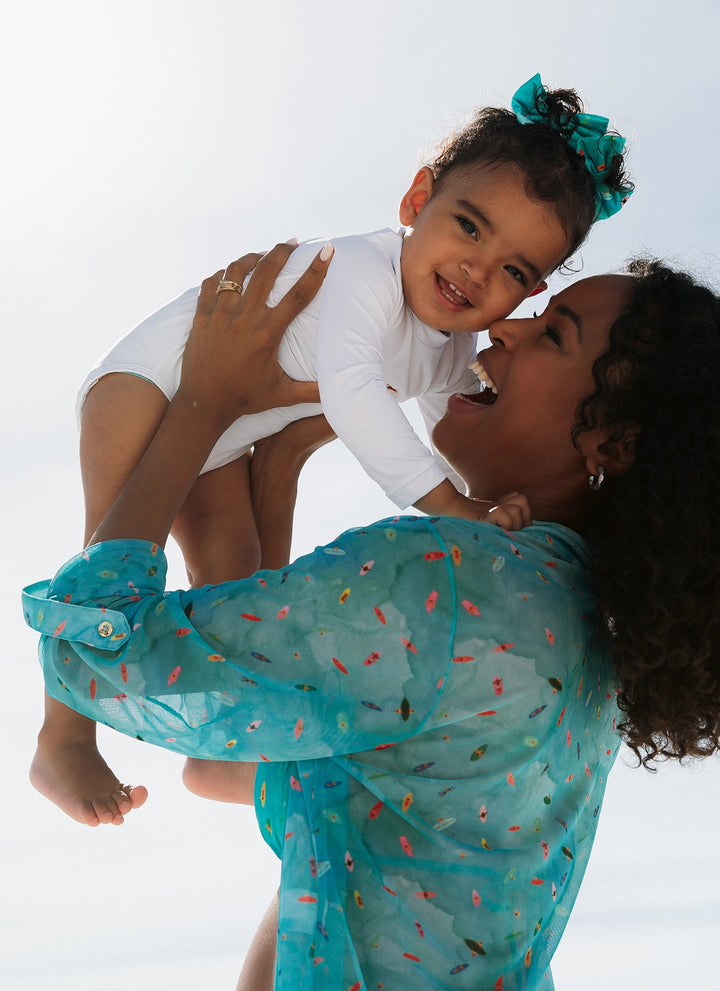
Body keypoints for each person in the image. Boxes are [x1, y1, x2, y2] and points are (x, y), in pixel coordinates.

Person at [23, 244, 720, 991]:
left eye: (554, 334)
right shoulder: (577, 636)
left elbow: (98, 647)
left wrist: (203, 404)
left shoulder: (457, 584)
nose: (502, 329)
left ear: (613, 440)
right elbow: (223, 761)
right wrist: (274, 475)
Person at [29, 72, 633, 827]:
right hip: (144, 389)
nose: (477, 270)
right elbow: (352, 392)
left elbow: (452, 427)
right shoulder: (364, 271)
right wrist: (454, 507)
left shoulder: (455, 344)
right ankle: (62, 735)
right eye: (469, 227)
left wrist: (472, 503)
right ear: (417, 202)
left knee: (235, 565)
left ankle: (224, 742)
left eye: (516, 271)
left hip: (224, 432)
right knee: (107, 558)